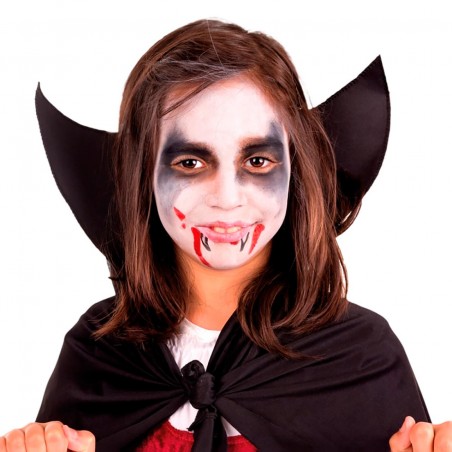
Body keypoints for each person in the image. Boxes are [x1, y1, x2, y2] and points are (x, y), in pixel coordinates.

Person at [1, 19, 451, 451]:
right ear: (145, 175)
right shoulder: (99, 354)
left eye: (257, 161)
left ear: (295, 170)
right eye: (190, 163)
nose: (227, 199)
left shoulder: (359, 357)